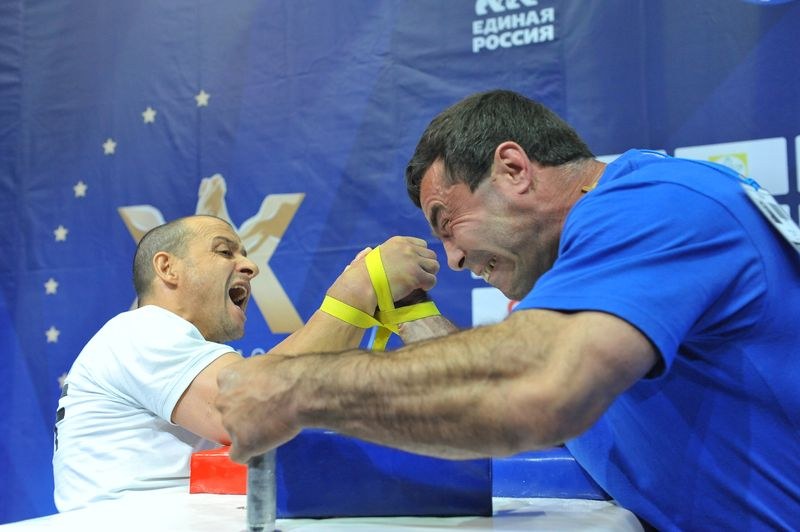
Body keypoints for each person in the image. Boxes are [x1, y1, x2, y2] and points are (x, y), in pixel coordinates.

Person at [215, 90, 800, 530]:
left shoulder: (656, 206)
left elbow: (535, 386)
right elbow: (479, 393)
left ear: (514, 169)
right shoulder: (571, 268)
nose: (453, 256)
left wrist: (295, 388)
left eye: (449, 223)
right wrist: (406, 305)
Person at [52, 214, 444, 512]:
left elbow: (277, 379)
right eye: (225, 251)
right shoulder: (142, 330)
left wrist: (373, 299)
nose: (250, 266)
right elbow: (247, 406)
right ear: (167, 267)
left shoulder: (158, 347)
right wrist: (358, 287)